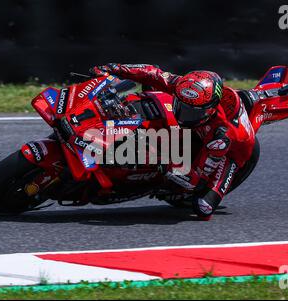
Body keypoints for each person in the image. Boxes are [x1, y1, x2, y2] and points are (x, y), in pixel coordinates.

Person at [90, 63, 255, 220]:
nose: (183, 115)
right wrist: (114, 68)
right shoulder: (183, 87)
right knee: (151, 88)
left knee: (203, 208)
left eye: (191, 113)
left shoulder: (220, 138)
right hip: (200, 129)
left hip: (234, 153)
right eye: (181, 106)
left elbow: (196, 180)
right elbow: (151, 72)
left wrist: (161, 162)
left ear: (209, 111)